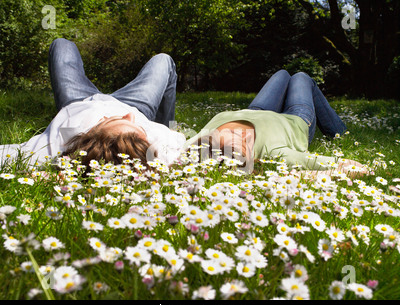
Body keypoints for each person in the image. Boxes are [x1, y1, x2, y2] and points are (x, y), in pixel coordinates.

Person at [0, 38, 185, 171]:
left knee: (62, 45)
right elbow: (198, 144)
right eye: (136, 127)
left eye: (107, 122)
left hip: (77, 99)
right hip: (134, 103)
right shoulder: (159, 143)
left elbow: (7, 156)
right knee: (164, 60)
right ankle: (165, 121)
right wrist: (170, 132)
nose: (129, 117)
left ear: (87, 136)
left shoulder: (52, 147)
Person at [184, 70, 367, 177]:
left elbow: (162, 150)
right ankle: (341, 133)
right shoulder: (274, 154)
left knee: (282, 74)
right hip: (296, 119)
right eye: (240, 152)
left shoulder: (196, 142)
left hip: (255, 111)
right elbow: (356, 168)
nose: (238, 137)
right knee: (301, 77)